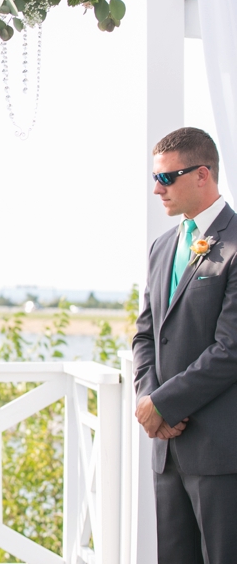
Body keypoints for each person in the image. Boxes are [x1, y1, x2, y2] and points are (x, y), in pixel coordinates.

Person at [133, 127, 237, 563]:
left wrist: (165, 404)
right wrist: (147, 398)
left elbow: (230, 349)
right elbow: (145, 333)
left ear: (202, 175)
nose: (158, 189)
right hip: (167, 449)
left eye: (167, 178)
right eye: (155, 178)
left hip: (219, 452)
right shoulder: (161, 247)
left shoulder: (233, 244)